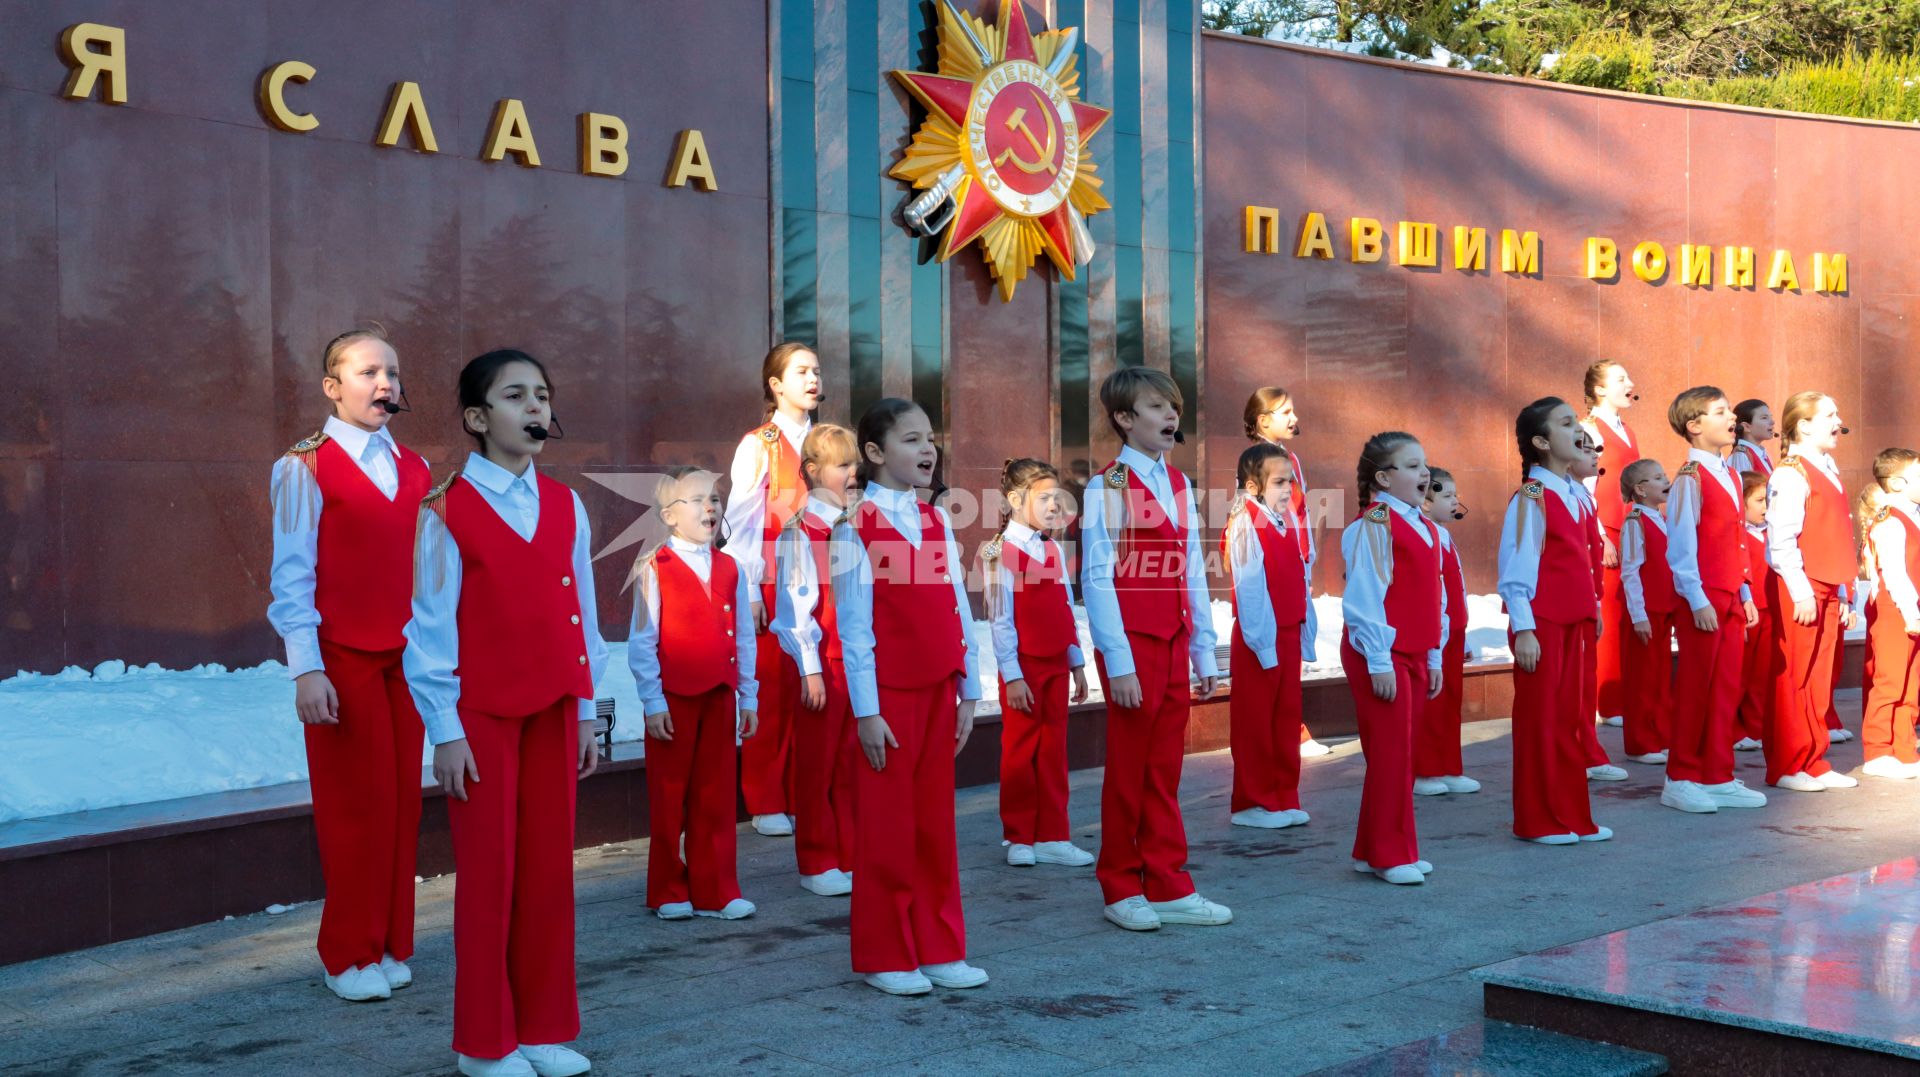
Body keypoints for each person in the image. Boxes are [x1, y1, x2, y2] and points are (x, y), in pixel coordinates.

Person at [404, 349, 604, 1077]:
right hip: (482, 719)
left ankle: (547, 1026)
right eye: (515, 395)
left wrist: (588, 709)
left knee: (549, 874)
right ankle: (483, 1041)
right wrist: (446, 731)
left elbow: (582, 610)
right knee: (490, 879)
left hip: (555, 708)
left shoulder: (566, 503)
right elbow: (428, 630)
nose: (534, 407)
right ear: (478, 418)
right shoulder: (444, 511)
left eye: (542, 395)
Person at [267, 325, 431, 1003]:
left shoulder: (419, 469)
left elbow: (429, 576)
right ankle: (347, 951)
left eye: (391, 372)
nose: (384, 384)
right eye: (367, 372)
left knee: (398, 805)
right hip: (341, 660)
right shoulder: (302, 468)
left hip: (406, 662)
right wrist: (306, 667)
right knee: (352, 809)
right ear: (333, 387)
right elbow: (291, 576)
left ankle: (390, 941)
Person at [831, 398, 987, 995]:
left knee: (934, 829)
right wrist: (866, 712)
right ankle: (886, 954)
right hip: (890, 700)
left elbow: (956, 608)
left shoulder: (935, 520)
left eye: (931, 439)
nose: (928, 450)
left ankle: (940, 946)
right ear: (874, 453)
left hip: (939, 689)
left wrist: (969, 690)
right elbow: (854, 630)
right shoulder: (855, 528)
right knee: (889, 829)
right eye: (911, 440)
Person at [1083, 368, 1230, 929]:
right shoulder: (1108, 487)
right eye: (1156, 407)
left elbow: (1191, 568)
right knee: (1129, 771)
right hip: (1132, 645)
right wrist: (1116, 662)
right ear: (1124, 418)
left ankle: (1168, 881)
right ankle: (1120, 884)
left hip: (1172, 640)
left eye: (1174, 406)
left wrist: (1203, 649)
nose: (1171, 416)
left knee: (1165, 769)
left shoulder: (1178, 484)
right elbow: (1097, 579)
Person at [628, 467, 759, 921]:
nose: (710, 507)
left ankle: (717, 888)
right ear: (668, 514)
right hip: (674, 699)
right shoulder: (654, 566)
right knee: (669, 797)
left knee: (715, 796)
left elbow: (743, 635)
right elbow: (643, 640)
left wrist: (750, 696)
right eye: (697, 499)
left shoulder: (730, 567)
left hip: (720, 696)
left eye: (715, 499)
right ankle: (667, 888)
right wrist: (652, 701)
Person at [1498, 399, 1611, 847]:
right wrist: (1523, 629)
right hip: (1542, 624)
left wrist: (1593, 608)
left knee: (1569, 723)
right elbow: (1516, 568)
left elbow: (1584, 562)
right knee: (1540, 722)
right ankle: (1536, 818)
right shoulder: (1533, 495)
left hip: (1574, 621)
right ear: (1542, 442)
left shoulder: (1575, 493)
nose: (1577, 429)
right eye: (1566, 424)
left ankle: (1572, 815)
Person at [723, 342, 824, 837]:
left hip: (825, 579)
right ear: (776, 384)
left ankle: (805, 792)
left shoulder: (829, 441)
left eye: (816, 371)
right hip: (772, 580)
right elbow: (739, 523)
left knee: (817, 692)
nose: (812, 379)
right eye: (801, 371)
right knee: (774, 692)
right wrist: (751, 590)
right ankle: (765, 799)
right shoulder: (759, 443)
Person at [1341, 431, 1447, 883]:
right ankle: (1389, 853)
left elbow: (1435, 595)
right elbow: (1365, 596)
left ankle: (1379, 848)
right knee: (1389, 755)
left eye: (1424, 464)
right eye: (1410, 466)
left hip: (1414, 652)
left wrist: (1435, 654)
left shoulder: (1424, 524)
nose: (1423, 473)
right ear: (1383, 478)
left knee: (1401, 753)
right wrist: (1379, 660)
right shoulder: (1376, 522)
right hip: (1380, 652)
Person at [982, 458, 1095, 865]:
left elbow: (1064, 606)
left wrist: (1076, 660)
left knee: (1053, 751)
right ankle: (1020, 837)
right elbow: (1000, 620)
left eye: (1057, 498)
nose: (1054, 506)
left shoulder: (1050, 547)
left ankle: (1053, 834)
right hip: (1024, 668)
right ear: (1015, 500)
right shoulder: (1000, 552)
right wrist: (1011, 676)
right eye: (1044, 498)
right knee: (1019, 751)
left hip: (1054, 665)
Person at [1660, 386, 1766, 815]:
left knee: (1724, 689)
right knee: (1695, 690)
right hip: (1702, 598)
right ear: (1695, 425)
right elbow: (1681, 544)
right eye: (1720, 412)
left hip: (1728, 595)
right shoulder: (1691, 476)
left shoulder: (1729, 473)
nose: (1730, 419)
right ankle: (1680, 776)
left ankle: (1717, 774)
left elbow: (1735, 540)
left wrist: (1744, 591)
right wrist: (1697, 597)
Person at [771, 424, 864, 896]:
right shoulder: (801, 531)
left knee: (850, 762)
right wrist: (809, 667)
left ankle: (847, 852)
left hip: (855, 662)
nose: (853, 473)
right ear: (811, 471)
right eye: (842, 465)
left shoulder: (856, 526)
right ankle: (815, 858)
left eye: (854, 464)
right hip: (822, 664)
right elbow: (793, 604)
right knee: (817, 764)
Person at [1765, 391, 1860, 791]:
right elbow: (1780, 539)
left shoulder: (1827, 468)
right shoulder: (1790, 473)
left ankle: (1813, 759)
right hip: (1800, 587)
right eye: (1829, 415)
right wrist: (1801, 590)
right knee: (1795, 676)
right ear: (1803, 425)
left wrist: (1841, 589)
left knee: (1820, 677)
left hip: (1826, 585)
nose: (1838, 422)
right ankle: (1788, 764)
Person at [1224, 442, 1317, 826]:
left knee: (1284, 717)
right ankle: (1252, 802)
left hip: (1288, 632)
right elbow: (1249, 589)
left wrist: (1305, 630)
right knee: (1256, 721)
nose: (1286, 489)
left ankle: (1283, 795)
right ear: (1253, 486)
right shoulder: (1246, 520)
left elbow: (1300, 577)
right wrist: (1263, 644)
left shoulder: (1287, 520)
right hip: (1260, 637)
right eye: (1278, 482)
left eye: (1290, 481)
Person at [1244, 387, 1333, 757]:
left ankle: (1292, 731)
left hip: (1295, 563)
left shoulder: (1291, 459)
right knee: (1274, 652)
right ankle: (1286, 735)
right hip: (1273, 565)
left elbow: (1300, 513)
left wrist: (1306, 555)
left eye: (1293, 410)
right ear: (1263, 420)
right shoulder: (1256, 459)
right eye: (1285, 412)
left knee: (1291, 650)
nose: (1294, 418)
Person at [1580, 361, 1641, 726]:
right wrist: (1599, 536)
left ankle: (1622, 694)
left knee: (1628, 612)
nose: (1629, 384)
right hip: (1608, 532)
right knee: (1611, 615)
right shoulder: (1590, 428)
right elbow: (1586, 487)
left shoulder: (1628, 430)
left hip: (1630, 530)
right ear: (1599, 390)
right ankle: (1608, 700)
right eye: (1620, 379)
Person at [1857, 449, 1920, 779]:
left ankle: (1904, 749)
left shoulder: (1913, 515)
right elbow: (1894, 571)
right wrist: (1911, 611)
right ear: (1897, 482)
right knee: (1890, 681)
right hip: (1896, 608)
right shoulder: (1890, 520)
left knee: (1911, 683)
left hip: (1913, 608)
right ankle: (1879, 750)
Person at [1414, 467, 1478, 796]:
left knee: (1451, 701)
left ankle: (1450, 765)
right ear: (1425, 502)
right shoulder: (1425, 533)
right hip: (1434, 632)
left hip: (1453, 628)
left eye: (1456, 495)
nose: (1455, 501)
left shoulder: (1443, 533)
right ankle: (1425, 770)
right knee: (1432, 702)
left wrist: (1463, 629)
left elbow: (1457, 586)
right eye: (1447, 496)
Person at [1571, 432, 1627, 782]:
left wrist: (1594, 601)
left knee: (1584, 682)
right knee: (1566, 690)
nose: (1595, 456)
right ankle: (1575, 753)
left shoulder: (1580, 495)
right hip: (1556, 609)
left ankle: (1587, 751)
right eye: (1585, 449)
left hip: (1583, 603)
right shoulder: (1535, 496)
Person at [1617, 459, 1675, 767]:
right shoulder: (1634, 522)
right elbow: (1631, 571)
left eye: (1663, 474)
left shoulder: (1661, 518)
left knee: (1660, 677)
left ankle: (1660, 734)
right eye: (1657, 477)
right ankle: (1640, 742)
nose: (1665, 479)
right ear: (1640, 489)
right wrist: (1638, 614)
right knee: (1642, 678)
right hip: (1645, 612)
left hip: (1663, 609)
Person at [1734, 473, 1774, 752]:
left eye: (1768, 500)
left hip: (1770, 611)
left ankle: (1756, 727)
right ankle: (1734, 730)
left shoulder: (1771, 533)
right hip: (1747, 612)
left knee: (1762, 675)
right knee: (1739, 674)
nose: (1765, 507)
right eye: (1759, 500)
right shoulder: (1738, 535)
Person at [1729, 399, 1777, 477]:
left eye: (1770, 417)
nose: (1772, 422)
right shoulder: (1741, 455)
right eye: (1764, 418)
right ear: (1746, 427)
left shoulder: (1763, 454)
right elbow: (1744, 488)